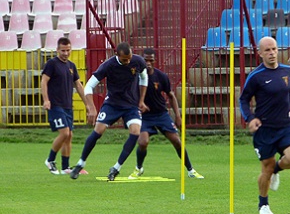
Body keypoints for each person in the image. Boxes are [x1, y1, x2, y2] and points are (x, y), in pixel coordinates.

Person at [239, 37, 290, 214]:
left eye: (274, 49)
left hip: (285, 126)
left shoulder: (287, 71)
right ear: (260, 53)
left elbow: (288, 93)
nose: (271, 53)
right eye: (267, 50)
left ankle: (277, 169)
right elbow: (243, 99)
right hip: (265, 130)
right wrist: (250, 118)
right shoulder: (256, 76)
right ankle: (263, 204)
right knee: (266, 169)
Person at [69, 42, 149, 181]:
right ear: (117, 55)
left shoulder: (138, 61)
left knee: (135, 132)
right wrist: (92, 108)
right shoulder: (108, 65)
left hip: (131, 106)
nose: (128, 61)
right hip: (112, 104)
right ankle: (80, 164)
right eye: (125, 59)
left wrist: (141, 100)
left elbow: (144, 77)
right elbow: (89, 86)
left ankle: (116, 168)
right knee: (98, 131)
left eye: (130, 58)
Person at [128, 48, 204, 180]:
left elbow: (171, 96)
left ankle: (191, 170)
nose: (148, 63)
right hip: (145, 117)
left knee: (176, 141)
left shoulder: (161, 77)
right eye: (145, 60)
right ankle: (139, 168)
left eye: (151, 60)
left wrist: (178, 116)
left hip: (161, 114)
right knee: (143, 142)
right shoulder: (136, 77)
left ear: (155, 61)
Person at [41, 37, 96, 174]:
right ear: (57, 50)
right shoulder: (52, 64)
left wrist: (88, 104)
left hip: (67, 106)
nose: (65, 53)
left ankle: (65, 167)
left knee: (69, 135)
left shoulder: (71, 66)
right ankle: (50, 160)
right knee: (64, 132)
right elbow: (43, 81)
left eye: (68, 50)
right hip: (55, 105)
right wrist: (46, 100)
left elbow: (78, 85)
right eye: (63, 50)